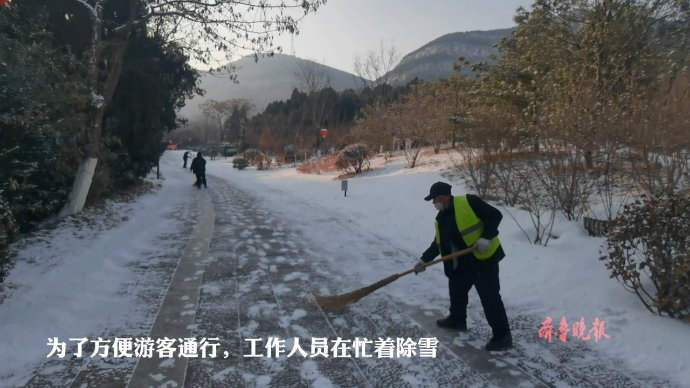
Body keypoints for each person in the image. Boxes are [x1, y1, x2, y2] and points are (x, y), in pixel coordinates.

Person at [414, 181, 513, 351]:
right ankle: (457, 319)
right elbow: (438, 243)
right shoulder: (441, 218)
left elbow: (495, 215)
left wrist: (486, 237)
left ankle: (502, 336)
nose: (433, 204)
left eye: (434, 200)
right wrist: (424, 260)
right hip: (462, 262)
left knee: (490, 298)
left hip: (483, 259)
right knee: (456, 288)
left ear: (442, 197)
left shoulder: (468, 202)